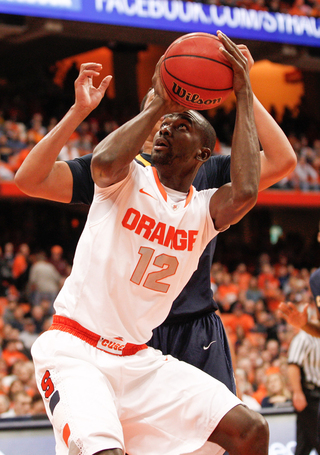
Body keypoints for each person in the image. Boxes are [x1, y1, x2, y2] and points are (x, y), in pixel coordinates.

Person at [21, 32, 268, 455]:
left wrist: (244, 94)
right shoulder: (124, 178)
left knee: (251, 430)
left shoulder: (204, 210)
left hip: (138, 360)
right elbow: (101, 163)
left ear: (203, 154)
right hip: (77, 350)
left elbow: (246, 190)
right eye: (165, 123)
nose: (168, 127)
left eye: (181, 124)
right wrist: (160, 101)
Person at [287, 309, 320, 455]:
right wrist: (298, 393)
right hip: (310, 394)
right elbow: (293, 365)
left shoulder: (316, 337)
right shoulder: (302, 338)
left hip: (315, 394)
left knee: (304, 442)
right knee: (317, 436)